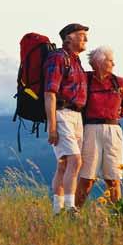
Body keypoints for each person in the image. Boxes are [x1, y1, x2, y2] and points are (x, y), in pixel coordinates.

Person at [75, 46, 123, 207]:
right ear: (99, 62)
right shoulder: (85, 79)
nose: (113, 64)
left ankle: (118, 215)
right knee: (87, 178)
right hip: (90, 130)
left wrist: (121, 113)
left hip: (113, 129)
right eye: (110, 60)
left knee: (114, 178)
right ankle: (74, 212)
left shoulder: (118, 81)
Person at [44, 23, 89, 215]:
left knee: (63, 164)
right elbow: (50, 92)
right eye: (81, 35)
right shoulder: (58, 58)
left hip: (76, 116)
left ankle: (57, 210)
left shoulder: (76, 61)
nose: (85, 39)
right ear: (68, 38)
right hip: (62, 114)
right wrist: (52, 126)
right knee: (75, 161)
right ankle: (70, 209)